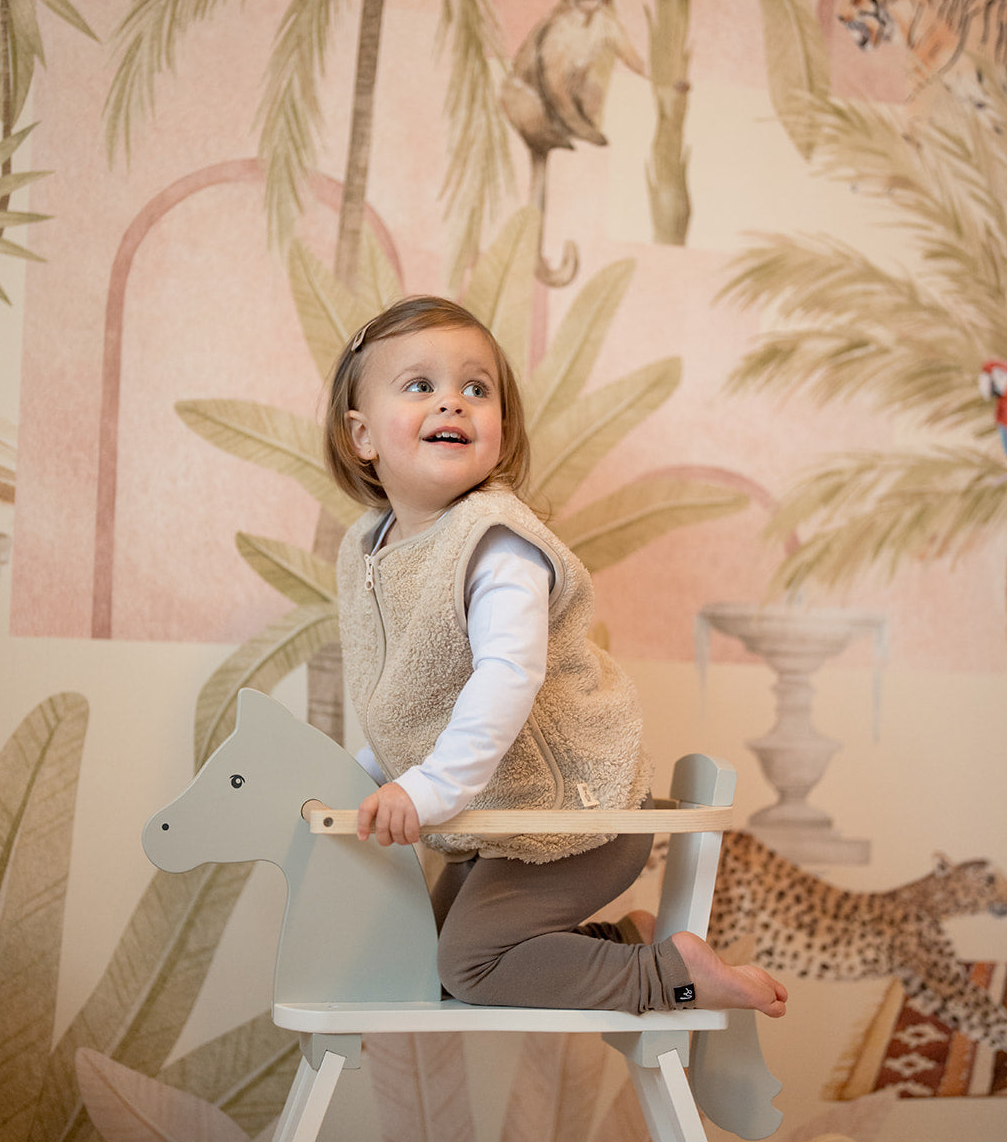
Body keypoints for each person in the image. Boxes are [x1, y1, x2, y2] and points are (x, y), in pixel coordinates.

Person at [324, 294, 787, 1019]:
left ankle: (674, 976)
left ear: (501, 430)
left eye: (476, 388)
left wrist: (428, 789)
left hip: (575, 813)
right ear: (361, 435)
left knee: (468, 964)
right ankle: (626, 943)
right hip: (502, 815)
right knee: (428, 961)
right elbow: (408, 694)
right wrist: (362, 776)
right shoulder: (370, 550)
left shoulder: (497, 544)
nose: (451, 402)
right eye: (419, 385)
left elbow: (506, 677)